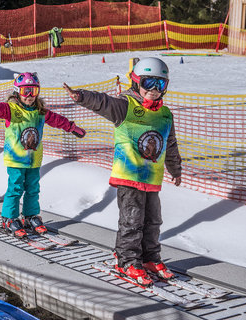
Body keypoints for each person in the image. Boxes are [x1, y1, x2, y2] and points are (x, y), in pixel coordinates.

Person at [63, 57, 182, 287]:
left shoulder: (165, 114)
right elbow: (103, 102)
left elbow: (171, 144)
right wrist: (81, 96)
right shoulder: (125, 106)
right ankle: (127, 260)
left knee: (153, 221)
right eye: (149, 83)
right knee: (132, 221)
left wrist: (175, 169)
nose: (155, 90)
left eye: (161, 85)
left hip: (152, 179)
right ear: (137, 82)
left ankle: (150, 258)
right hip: (129, 177)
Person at [0, 72, 86, 238]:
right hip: (16, 159)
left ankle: (30, 216)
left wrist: (72, 127)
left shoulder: (40, 112)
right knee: (15, 189)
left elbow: (58, 120)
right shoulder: (10, 110)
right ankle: (9, 219)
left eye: (33, 91)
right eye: (25, 91)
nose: (29, 96)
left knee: (33, 189)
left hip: (34, 160)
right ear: (17, 92)